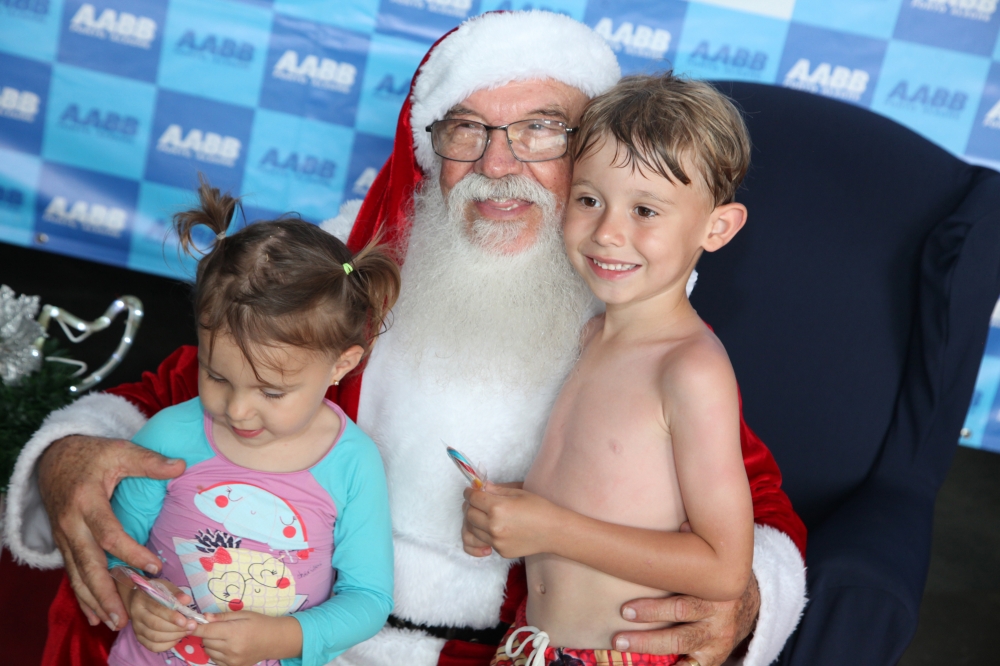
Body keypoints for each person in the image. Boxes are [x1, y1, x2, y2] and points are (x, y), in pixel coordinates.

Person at [4, 11, 807, 666]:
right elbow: (178, 391)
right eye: (467, 130)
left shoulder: (627, 319)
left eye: (541, 129)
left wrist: (747, 599)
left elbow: (751, 505)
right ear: (430, 148)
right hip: (296, 627)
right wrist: (72, 451)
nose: (499, 163)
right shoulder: (351, 272)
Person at [462, 73, 755, 666]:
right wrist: (508, 512)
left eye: (645, 210)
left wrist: (550, 530)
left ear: (716, 228)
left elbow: (723, 568)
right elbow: (597, 491)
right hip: (531, 646)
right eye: (589, 200)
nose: (608, 232)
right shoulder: (588, 336)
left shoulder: (689, 370)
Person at [104, 181, 398, 666]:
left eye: (271, 392)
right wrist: (136, 595)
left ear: (340, 365)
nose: (237, 410)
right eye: (217, 376)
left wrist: (285, 637)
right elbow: (114, 547)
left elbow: (369, 597)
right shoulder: (169, 436)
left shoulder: (352, 462)